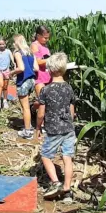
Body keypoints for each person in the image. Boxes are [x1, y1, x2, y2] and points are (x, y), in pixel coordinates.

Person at [37, 52, 77, 202]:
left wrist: (38, 128)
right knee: (67, 157)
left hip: (53, 129)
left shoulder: (46, 90)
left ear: (49, 69)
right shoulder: (69, 88)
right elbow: (72, 111)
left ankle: (55, 183)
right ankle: (67, 190)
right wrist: (70, 123)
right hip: (68, 128)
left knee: (46, 156)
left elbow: (41, 113)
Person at [10, 34, 37, 139]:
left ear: (17, 42)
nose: (13, 44)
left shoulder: (17, 53)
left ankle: (27, 132)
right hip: (32, 81)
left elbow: (21, 68)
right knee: (26, 107)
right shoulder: (30, 53)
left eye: (13, 42)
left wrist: (11, 73)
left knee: (25, 108)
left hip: (24, 82)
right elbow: (35, 68)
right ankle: (28, 125)